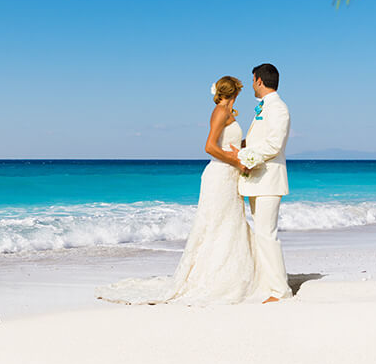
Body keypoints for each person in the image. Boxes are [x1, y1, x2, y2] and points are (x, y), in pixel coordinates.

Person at [96, 75, 257, 305]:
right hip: (219, 176)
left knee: (230, 223)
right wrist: (236, 162)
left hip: (230, 177)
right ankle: (214, 278)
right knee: (215, 226)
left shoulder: (228, 113)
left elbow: (226, 144)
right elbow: (209, 146)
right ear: (236, 92)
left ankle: (233, 275)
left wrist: (245, 151)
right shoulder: (221, 112)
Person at [236, 63, 294, 303]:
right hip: (258, 181)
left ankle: (281, 291)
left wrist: (248, 158)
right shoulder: (264, 108)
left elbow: (274, 144)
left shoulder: (279, 108)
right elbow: (260, 139)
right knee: (261, 233)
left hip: (269, 180)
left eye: (252, 80)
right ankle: (269, 282)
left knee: (267, 234)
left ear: (259, 80)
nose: (251, 84)